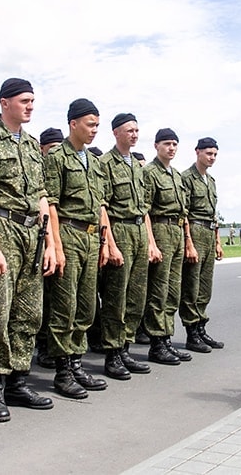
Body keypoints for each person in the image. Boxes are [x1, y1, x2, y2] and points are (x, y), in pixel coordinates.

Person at [0, 77, 56, 422]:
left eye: (32, 100)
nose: (30, 106)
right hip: (1, 227)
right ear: (4, 102)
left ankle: (19, 380)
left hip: (32, 231)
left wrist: (48, 242)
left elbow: (42, 196)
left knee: (29, 313)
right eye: (23, 100)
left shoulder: (33, 145)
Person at [43, 98, 109, 399]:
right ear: (73, 124)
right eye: (90, 124)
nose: (94, 130)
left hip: (91, 237)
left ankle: (77, 360)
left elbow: (100, 207)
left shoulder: (95, 163)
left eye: (97, 125)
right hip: (68, 232)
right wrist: (55, 244)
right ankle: (63, 370)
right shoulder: (57, 158)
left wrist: (104, 242)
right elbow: (52, 205)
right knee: (64, 306)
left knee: (86, 306)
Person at [97, 113, 159, 380]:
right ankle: (112, 354)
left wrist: (151, 242)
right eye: (129, 130)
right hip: (119, 229)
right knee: (116, 297)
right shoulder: (105, 163)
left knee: (136, 297)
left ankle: (125, 348)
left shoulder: (136, 165)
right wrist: (110, 244)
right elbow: (103, 207)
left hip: (138, 230)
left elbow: (144, 209)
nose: (134, 134)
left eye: (136, 130)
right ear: (115, 133)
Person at [142, 128, 192, 365]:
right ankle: (157, 342)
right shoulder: (149, 173)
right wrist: (151, 242)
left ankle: (167, 339)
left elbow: (184, 212)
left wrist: (187, 240)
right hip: (160, 230)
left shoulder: (177, 176)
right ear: (156, 146)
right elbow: (145, 212)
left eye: (174, 144)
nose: (171, 148)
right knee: (158, 291)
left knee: (173, 291)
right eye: (166, 144)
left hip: (177, 232)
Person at [180, 137, 224, 354]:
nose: (212, 157)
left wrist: (217, 241)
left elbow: (214, 215)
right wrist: (188, 242)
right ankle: (191, 333)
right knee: (192, 286)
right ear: (197, 152)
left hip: (208, 232)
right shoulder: (186, 178)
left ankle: (201, 327)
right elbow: (184, 213)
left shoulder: (211, 181)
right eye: (208, 153)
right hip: (195, 232)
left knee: (205, 287)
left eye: (215, 154)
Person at [33, 126, 65, 369]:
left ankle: (48, 345)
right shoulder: (36, 167)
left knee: (55, 298)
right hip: (33, 236)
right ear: (42, 149)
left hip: (57, 235)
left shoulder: (60, 169)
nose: (55, 152)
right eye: (51, 148)